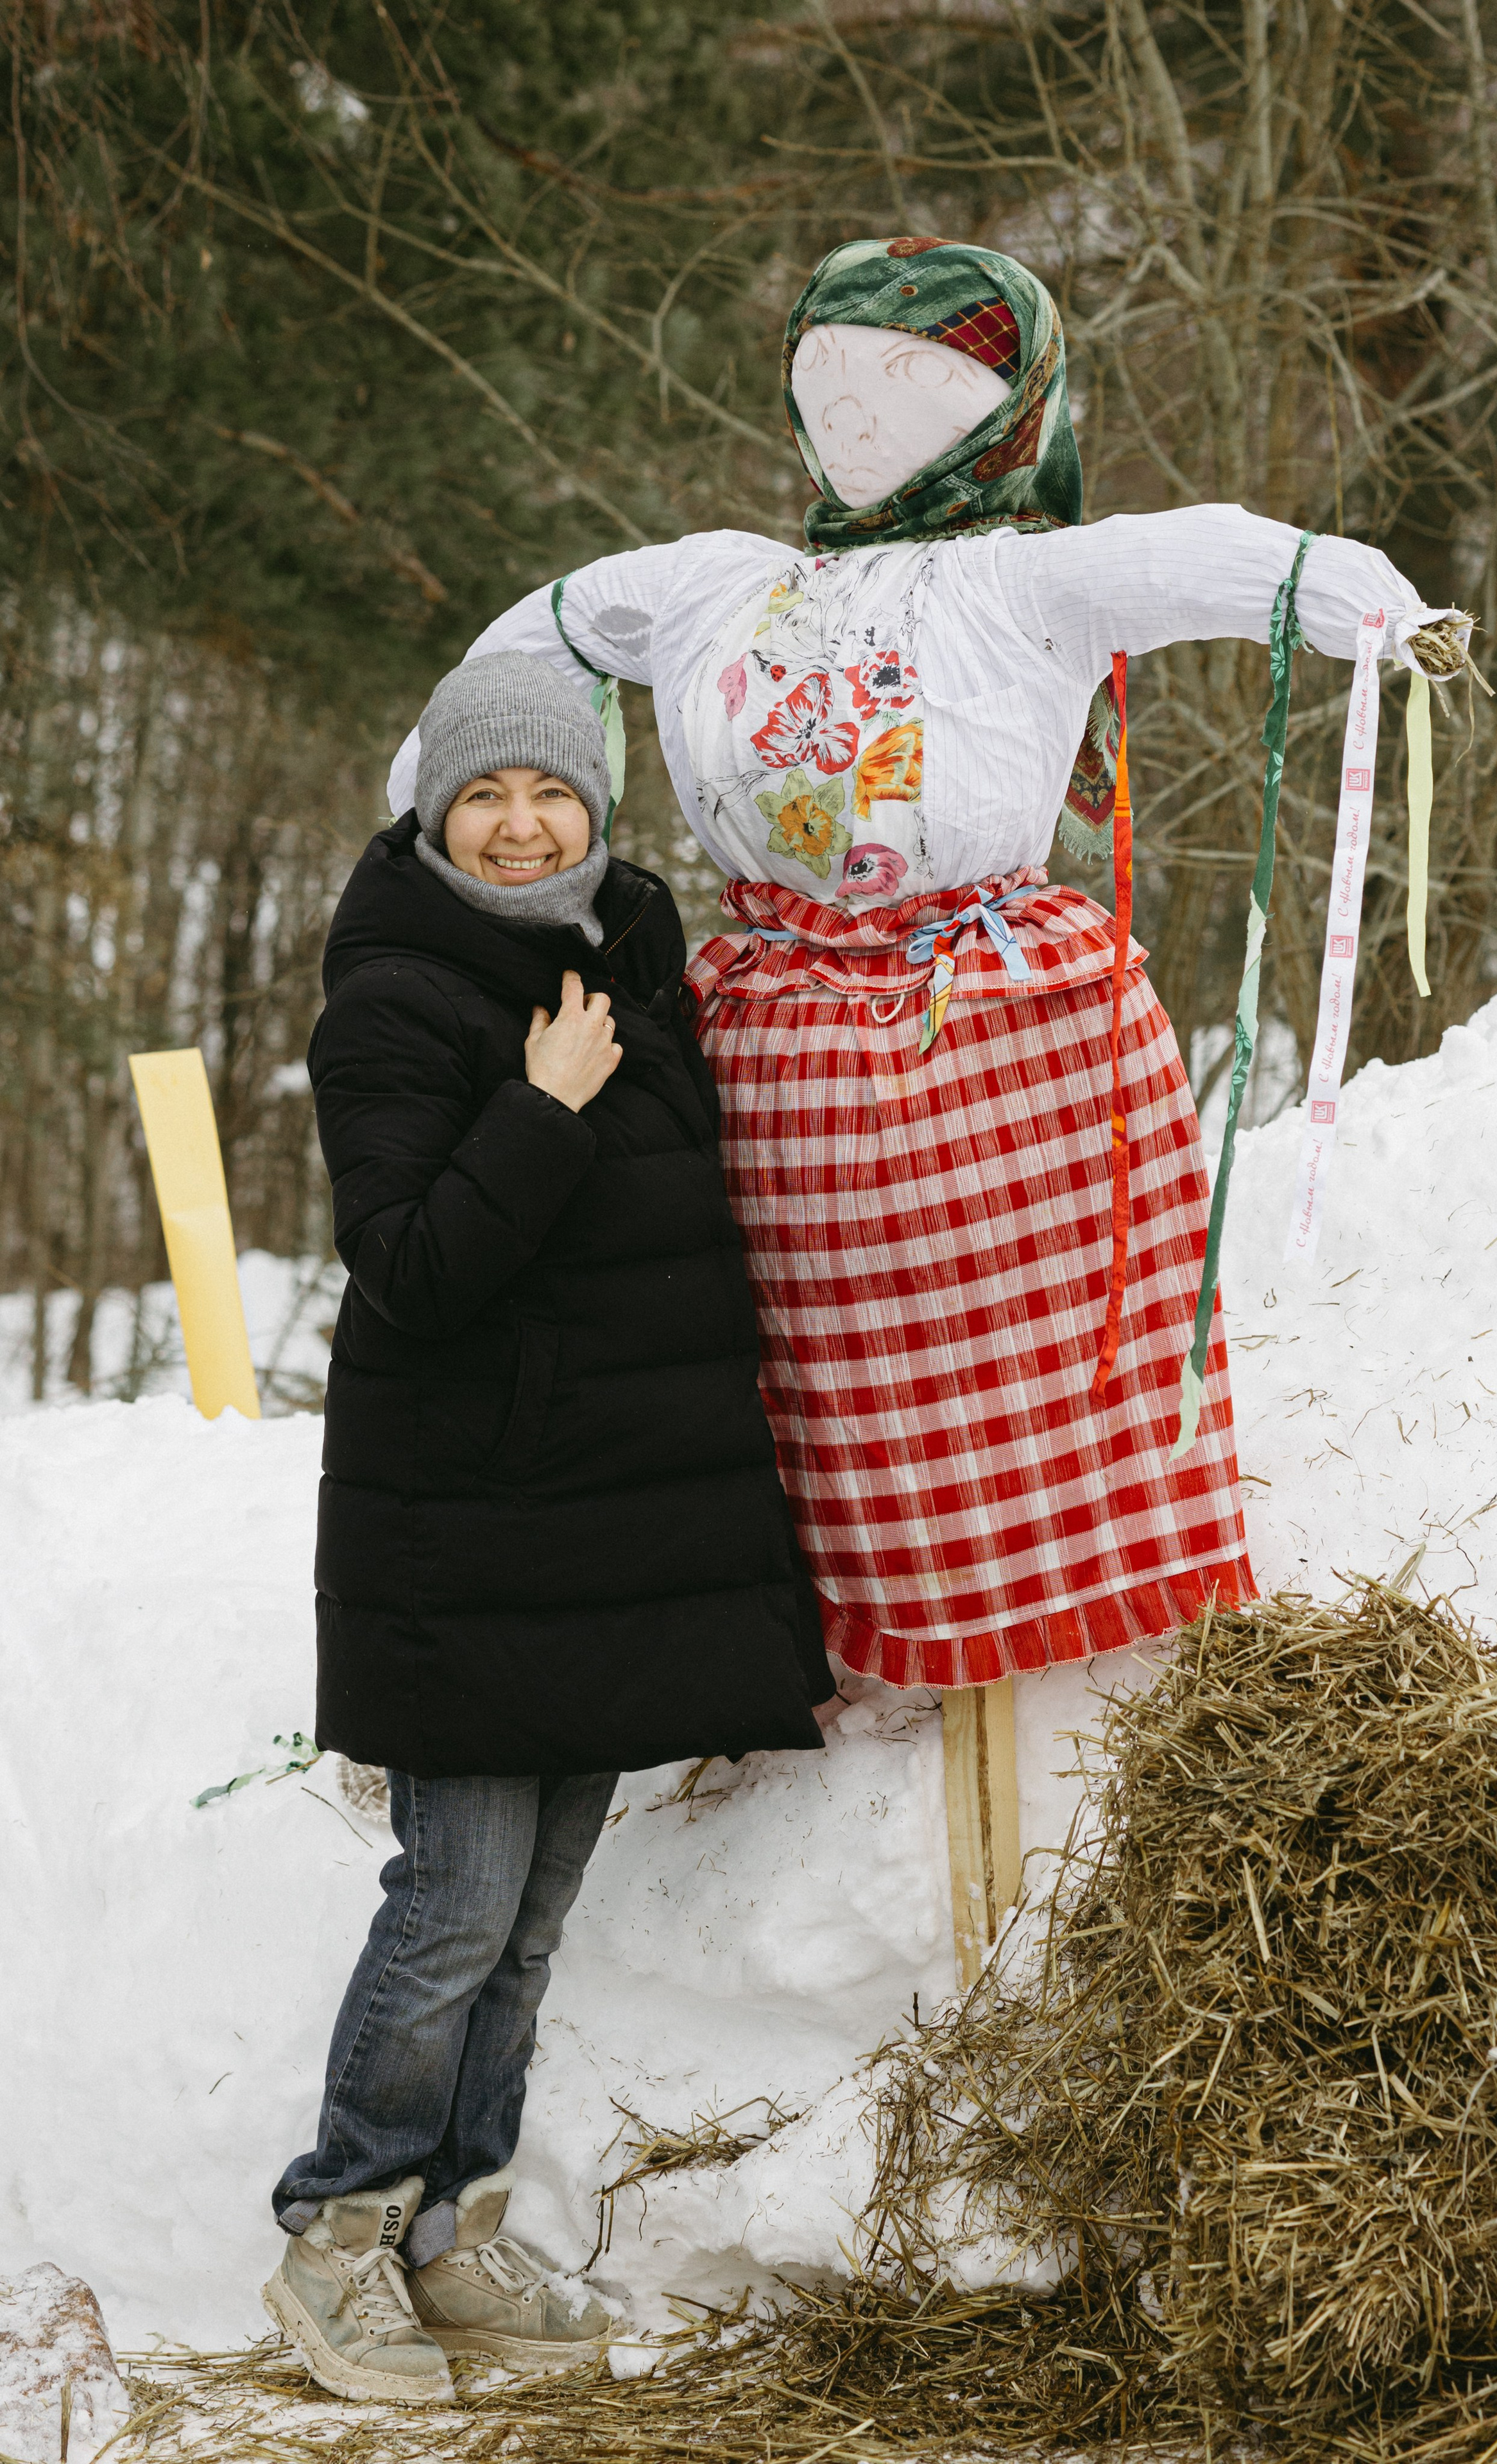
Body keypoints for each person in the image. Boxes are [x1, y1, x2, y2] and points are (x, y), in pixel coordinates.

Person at [387, 236, 1465, 1699]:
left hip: (996, 1009)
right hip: (779, 1030)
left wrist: (1362, 601)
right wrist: (445, 761)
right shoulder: (718, 583)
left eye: (911, 378)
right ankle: (849, 1617)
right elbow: (567, 619)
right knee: (815, 1364)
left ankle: (1075, 1603)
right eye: (824, 371)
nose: (856, 403)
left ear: (1006, 406)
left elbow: (1199, 554)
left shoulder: (1026, 584)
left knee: (1043, 1328)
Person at [264, 652, 832, 2404]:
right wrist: (544, 1105)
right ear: (433, 815)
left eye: (551, 793)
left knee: (528, 1923)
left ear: (597, 808)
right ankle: (339, 2230)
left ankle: (459, 2228)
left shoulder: (629, 972)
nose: (520, 825)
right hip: (463, 1535)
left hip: (596, 1547)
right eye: (482, 797)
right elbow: (417, 1266)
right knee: (449, 1905)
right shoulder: (399, 999)